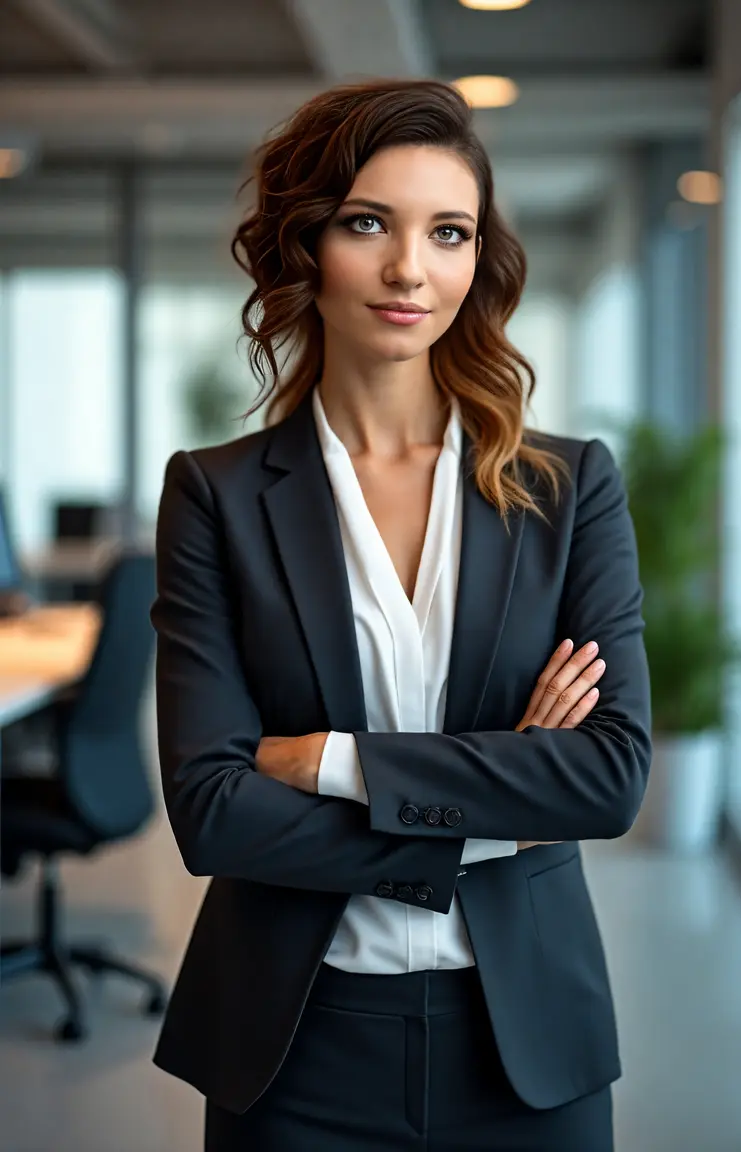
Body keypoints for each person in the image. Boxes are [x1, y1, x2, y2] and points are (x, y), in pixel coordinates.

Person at [150, 78, 652, 1151]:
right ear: (304, 246)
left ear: (479, 259)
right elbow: (212, 812)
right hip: (292, 1047)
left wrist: (331, 761)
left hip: (527, 1044)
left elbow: (607, 778)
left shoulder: (569, 491)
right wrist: (500, 803)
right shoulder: (215, 496)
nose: (408, 269)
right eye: (367, 222)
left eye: (449, 231)